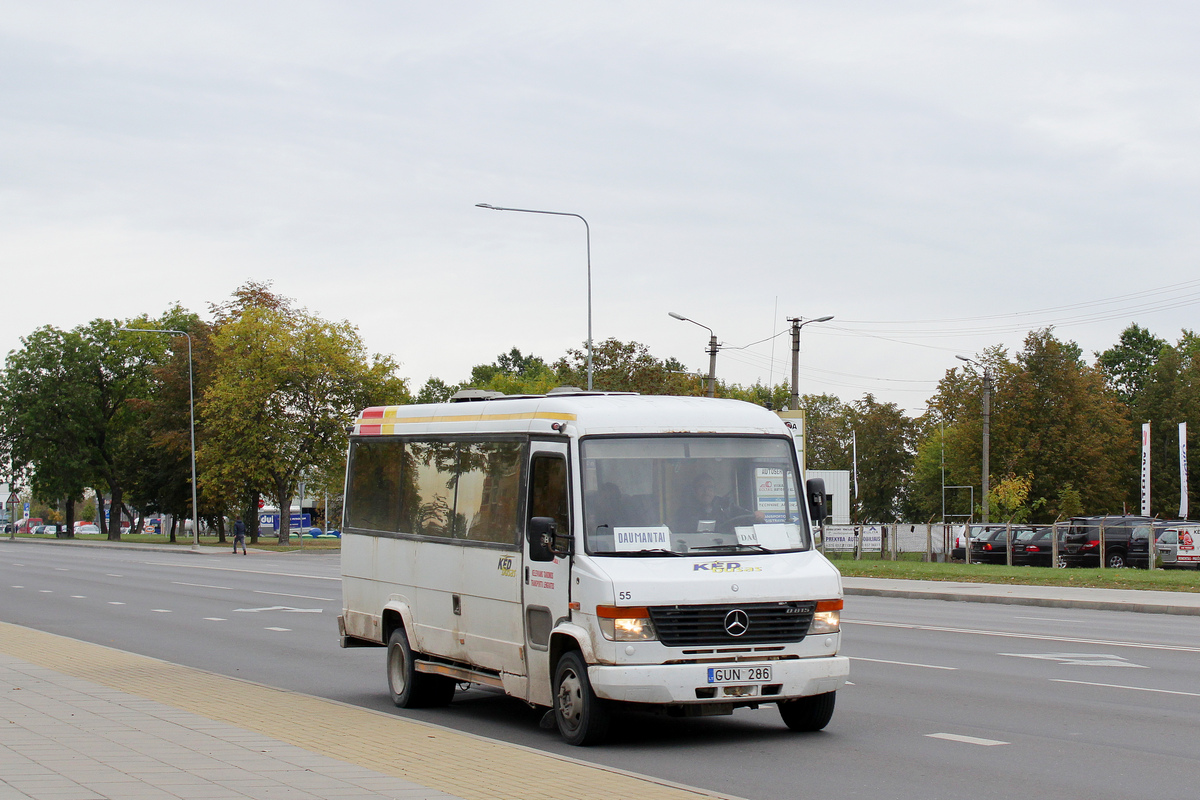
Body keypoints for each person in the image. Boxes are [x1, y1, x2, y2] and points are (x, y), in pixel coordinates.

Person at [672, 473, 764, 533]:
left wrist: (756, 517)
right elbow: (679, 533)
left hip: (725, 549)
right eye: (701, 487)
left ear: (714, 490)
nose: (706, 491)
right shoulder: (684, 511)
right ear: (694, 490)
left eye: (710, 487)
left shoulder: (726, 506)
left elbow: (746, 517)